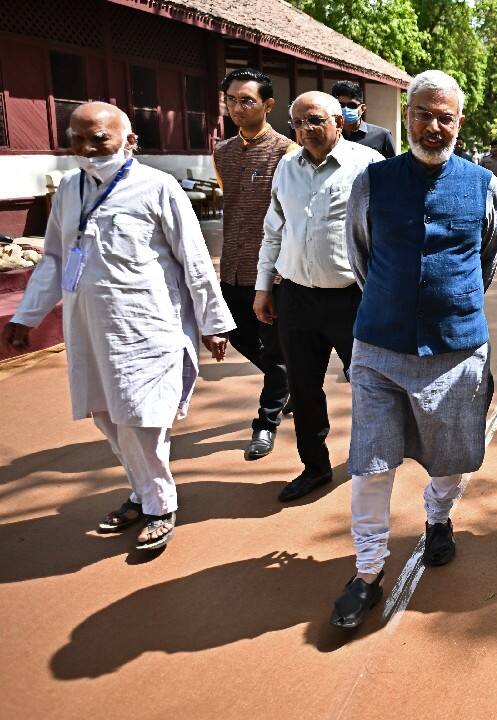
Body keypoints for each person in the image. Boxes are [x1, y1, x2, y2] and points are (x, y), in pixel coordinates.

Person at [1, 102, 233, 550]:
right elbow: (53, 259)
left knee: (142, 420)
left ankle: (160, 504)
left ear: (129, 141)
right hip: (88, 329)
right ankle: (141, 491)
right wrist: (27, 315)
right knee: (108, 417)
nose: (88, 149)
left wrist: (212, 322)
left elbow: (195, 259)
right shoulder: (69, 189)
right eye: (77, 139)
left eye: (100, 138)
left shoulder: (158, 187)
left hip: (147, 328)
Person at [330, 70, 497, 628]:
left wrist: (450, 300)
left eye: (445, 117)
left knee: (450, 460)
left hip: (456, 349)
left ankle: (438, 518)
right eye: (423, 114)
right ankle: (367, 570)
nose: (434, 126)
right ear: (407, 117)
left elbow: (487, 260)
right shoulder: (372, 182)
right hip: (379, 345)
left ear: (459, 122)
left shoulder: (482, 183)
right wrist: (393, 298)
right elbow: (361, 256)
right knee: (371, 465)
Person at [253, 91, 385, 502]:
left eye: (314, 121)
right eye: (297, 123)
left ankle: (373, 458)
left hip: (353, 300)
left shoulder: (368, 167)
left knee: (368, 386)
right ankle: (315, 466)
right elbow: (274, 228)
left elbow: (387, 233)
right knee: (304, 388)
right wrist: (263, 288)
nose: (304, 130)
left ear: (338, 122)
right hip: (295, 298)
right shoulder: (286, 167)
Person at [214, 68, 295, 462]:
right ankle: (289, 382)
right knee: (237, 336)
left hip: (273, 271)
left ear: (268, 104)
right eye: (230, 99)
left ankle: (265, 423)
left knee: (275, 350)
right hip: (231, 266)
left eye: (246, 100)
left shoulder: (287, 152)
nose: (236, 107)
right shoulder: (222, 152)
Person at [330, 80, 395, 159]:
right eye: (341, 105)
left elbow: (392, 168)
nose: (346, 109)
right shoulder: (329, 135)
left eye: (352, 105)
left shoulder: (382, 136)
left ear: (363, 108)